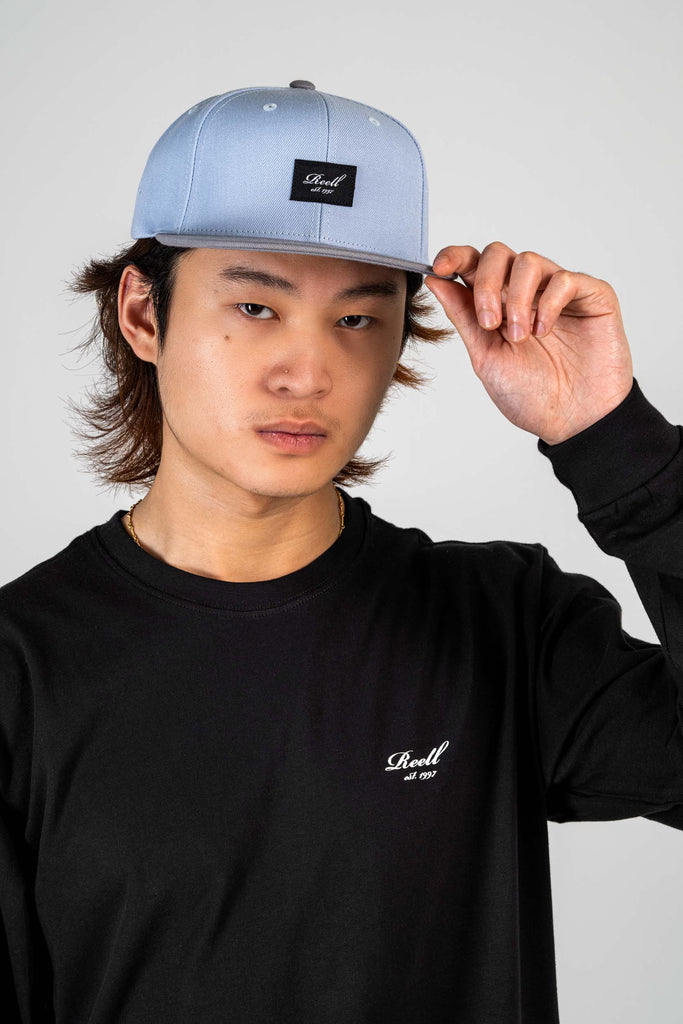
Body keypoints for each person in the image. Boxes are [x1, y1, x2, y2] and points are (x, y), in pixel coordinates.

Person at [1, 80, 681, 1024]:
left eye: (356, 318)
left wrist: (615, 442)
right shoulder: (21, 670)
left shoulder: (501, 620)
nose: (307, 373)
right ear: (143, 314)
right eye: (255, 307)